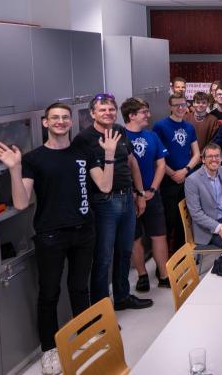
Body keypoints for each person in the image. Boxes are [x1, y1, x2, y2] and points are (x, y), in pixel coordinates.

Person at [0, 103, 118, 375]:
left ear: (71, 122)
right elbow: (21, 203)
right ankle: (49, 350)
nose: (61, 121)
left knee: (79, 288)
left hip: (84, 231)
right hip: (50, 235)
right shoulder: (34, 159)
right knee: (49, 294)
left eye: (65, 117)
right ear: (45, 123)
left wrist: (109, 155)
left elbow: (105, 186)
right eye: (55, 118)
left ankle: (85, 335)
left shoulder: (83, 152)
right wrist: (14, 169)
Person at [72, 93, 152, 310]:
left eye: (111, 109)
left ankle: (122, 297)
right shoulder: (84, 139)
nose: (107, 113)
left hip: (127, 198)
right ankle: (102, 310)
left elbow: (131, 162)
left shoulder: (119, 131)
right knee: (103, 257)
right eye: (102, 110)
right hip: (103, 203)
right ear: (92, 114)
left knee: (125, 251)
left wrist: (140, 193)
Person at [121, 97, 170, 293]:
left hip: (152, 194)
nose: (148, 115)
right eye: (144, 112)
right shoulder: (120, 137)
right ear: (131, 115)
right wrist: (136, 193)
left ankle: (164, 275)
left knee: (159, 235)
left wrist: (153, 190)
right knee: (135, 238)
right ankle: (142, 275)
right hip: (130, 198)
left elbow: (161, 165)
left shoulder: (152, 136)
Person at [153, 93, 201, 253]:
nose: (180, 108)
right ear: (170, 107)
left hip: (187, 179)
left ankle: (181, 256)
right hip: (168, 180)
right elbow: (157, 155)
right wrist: (173, 174)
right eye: (176, 105)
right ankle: (165, 259)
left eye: (183, 104)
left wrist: (185, 171)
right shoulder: (160, 126)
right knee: (169, 219)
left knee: (184, 220)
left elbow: (196, 154)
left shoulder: (189, 127)